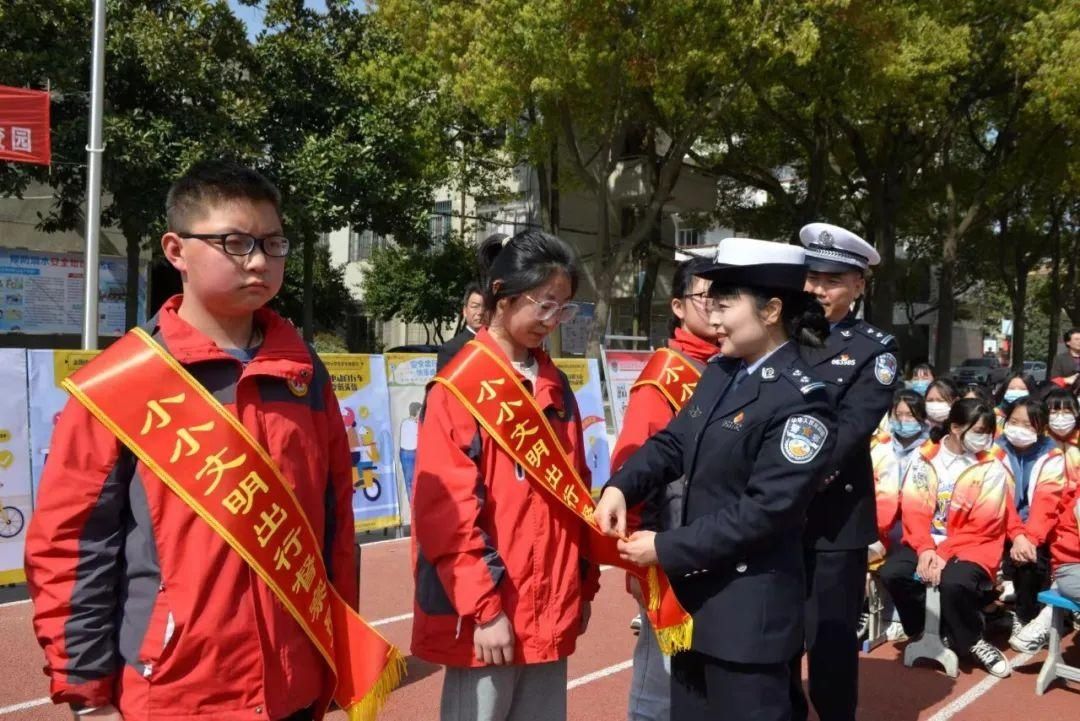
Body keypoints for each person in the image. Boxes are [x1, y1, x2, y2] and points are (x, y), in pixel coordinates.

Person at [24, 161, 363, 720]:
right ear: (176, 250)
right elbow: (73, 546)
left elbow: (334, 528)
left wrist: (337, 652)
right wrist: (85, 690)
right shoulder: (119, 384)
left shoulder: (303, 372)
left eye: (273, 242)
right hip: (179, 689)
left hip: (297, 678)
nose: (259, 260)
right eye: (235, 242)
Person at [594, 237, 836, 721]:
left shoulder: (803, 400)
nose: (716, 319)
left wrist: (666, 547)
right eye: (712, 304)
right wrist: (620, 486)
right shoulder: (723, 372)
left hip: (748, 623)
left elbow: (764, 511)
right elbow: (672, 443)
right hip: (696, 609)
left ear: (770, 310)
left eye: (726, 305)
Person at [410, 230, 599, 721]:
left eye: (564, 309)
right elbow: (446, 515)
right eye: (544, 305)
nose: (552, 321)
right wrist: (484, 609)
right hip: (489, 614)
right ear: (502, 296)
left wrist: (583, 583)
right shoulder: (459, 387)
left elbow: (576, 491)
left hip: (550, 604)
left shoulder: (556, 385)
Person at [789, 222, 900, 721]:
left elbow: (851, 430)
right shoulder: (780, 331)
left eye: (832, 279)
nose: (816, 288)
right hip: (773, 518)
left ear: (859, 285)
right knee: (778, 637)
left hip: (834, 519)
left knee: (831, 645)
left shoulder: (875, 350)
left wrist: (785, 482)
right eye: (811, 276)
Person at [610, 255, 721, 721]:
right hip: (667, 551)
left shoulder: (730, 367)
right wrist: (638, 567)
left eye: (727, 297)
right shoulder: (663, 376)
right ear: (678, 307)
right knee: (660, 685)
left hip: (712, 546)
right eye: (705, 296)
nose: (717, 307)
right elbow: (632, 470)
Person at [880, 399, 1015, 678]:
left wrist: (942, 554)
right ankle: (925, 629)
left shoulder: (992, 465)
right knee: (894, 573)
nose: (985, 438)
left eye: (989, 431)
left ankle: (972, 639)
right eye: (978, 430)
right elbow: (914, 510)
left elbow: (984, 523)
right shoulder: (924, 457)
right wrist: (926, 548)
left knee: (954, 583)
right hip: (924, 541)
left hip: (973, 545)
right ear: (955, 428)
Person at [1010, 388, 1080, 647]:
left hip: (1068, 526)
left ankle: (1053, 613)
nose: (1061, 417)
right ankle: (1026, 613)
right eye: (1054, 411)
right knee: (1028, 559)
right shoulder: (1035, 445)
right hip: (1038, 524)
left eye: (1067, 411)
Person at [995, 398, 1064, 651]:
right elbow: (998, 499)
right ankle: (990, 610)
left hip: (1035, 529)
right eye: (1014, 422)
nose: (1019, 428)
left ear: (1041, 427)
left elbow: (1047, 503)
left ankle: (1023, 615)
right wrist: (1016, 534)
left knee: (1031, 560)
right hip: (999, 524)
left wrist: (1029, 538)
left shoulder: (1052, 455)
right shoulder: (994, 450)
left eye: (1027, 424)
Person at [438, 279, 489, 371]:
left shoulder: (500, 345)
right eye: (475, 306)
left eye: (485, 307)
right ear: (465, 311)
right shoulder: (450, 349)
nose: (480, 312)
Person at [399, 401, 421, 501]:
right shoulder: (414, 425)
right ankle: (413, 504)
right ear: (416, 411)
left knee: (411, 481)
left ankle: (413, 503)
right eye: (420, 411)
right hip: (409, 454)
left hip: (407, 453)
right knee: (411, 482)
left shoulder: (405, 422)